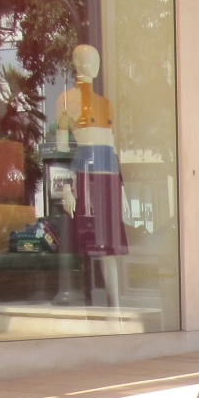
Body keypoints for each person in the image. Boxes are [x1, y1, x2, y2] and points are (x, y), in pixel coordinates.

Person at [56, 44, 128, 306]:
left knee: (110, 247)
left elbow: (112, 147)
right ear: (78, 63)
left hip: (107, 174)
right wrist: (66, 187)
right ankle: (86, 302)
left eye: (95, 59)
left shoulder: (105, 104)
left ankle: (116, 305)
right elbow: (62, 150)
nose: (93, 64)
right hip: (85, 175)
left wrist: (122, 189)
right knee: (87, 243)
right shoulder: (66, 101)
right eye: (87, 59)